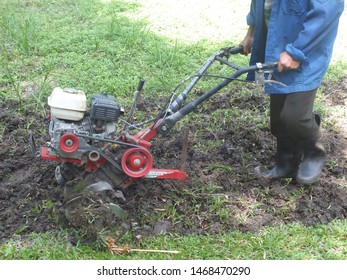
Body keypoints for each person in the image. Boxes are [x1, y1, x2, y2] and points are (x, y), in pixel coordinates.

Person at [239, 0, 344, 184]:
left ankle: (314, 152)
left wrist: (297, 52)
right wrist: (252, 32)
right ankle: (286, 163)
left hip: (308, 50)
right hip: (277, 44)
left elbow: (327, 12)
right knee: (278, 118)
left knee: (295, 116)